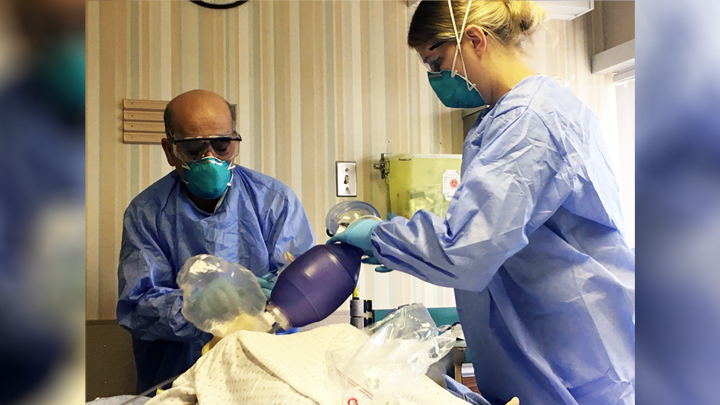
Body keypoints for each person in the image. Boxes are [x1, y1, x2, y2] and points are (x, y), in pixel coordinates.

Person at [328, 1, 635, 404]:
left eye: (435, 62)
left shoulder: (529, 122)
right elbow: (490, 231)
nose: (434, 78)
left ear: (473, 40)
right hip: (548, 354)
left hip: (580, 360)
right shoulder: (503, 120)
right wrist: (407, 249)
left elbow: (465, 250)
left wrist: (380, 237)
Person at [117, 89, 315, 394]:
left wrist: (271, 298)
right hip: (179, 382)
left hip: (267, 378)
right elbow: (138, 306)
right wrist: (196, 307)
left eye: (222, 146)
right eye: (194, 149)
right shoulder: (146, 213)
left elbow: (303, 285)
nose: (210, 159)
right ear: (169, 151)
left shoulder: (275, 201)